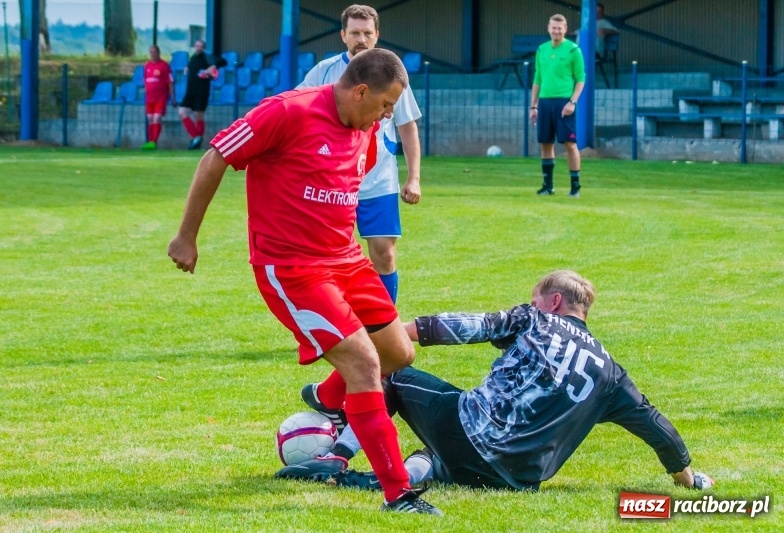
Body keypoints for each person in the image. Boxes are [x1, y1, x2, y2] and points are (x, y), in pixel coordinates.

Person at [167, 48, 441, 516]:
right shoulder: (286, 111)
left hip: (347, 260)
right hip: (292, 269)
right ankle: (398, 494)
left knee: (398, 353)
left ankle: (325, 397)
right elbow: (215, 158)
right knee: (364, 364)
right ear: (359, 91)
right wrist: (186, 237)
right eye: (386, 105)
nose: (389, 115)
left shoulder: (366, 125)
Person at [278, 270, 715, 494]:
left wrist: (398, 335)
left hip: (471, 436)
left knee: (392, 372)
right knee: (431, 454)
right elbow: (655, 425)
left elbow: (472, 325)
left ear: (554, 301)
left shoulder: (536, 318)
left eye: (536, 298)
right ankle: (393, 476)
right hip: (517, 477)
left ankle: (334, 458)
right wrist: (688, 479)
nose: (531, 304)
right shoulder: (612, 376)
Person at [297, 4, 422, 304]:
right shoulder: (324, 72)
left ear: (377, 35)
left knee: (384, 252)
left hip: (378, 182)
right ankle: (335, 320)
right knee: (324, 256)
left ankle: (385, 325)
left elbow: (408, 129)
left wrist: (414, 178)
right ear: (343, 35)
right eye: (355, 33)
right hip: (330, 185)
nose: (361, 39)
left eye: (367, 33)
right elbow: (297, 110)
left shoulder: (393, 74)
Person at [530, 14, 586, 198]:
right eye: (553, 28)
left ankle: (575, 187)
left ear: (565, 29)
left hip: (564, 103)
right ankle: (548, 186)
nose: (556, 31)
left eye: (559, 28)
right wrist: (534, 106)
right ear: (548, 28)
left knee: (570, 144)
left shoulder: (573, 50)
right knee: (546, 144)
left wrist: (573, 102)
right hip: (545, 103)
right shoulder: (541, 50)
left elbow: (581, 79)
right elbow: (537, 79)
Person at [177, 39, 227, 150]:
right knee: (182, 112)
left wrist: (213, 67)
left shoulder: (207, 57)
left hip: (202, 91)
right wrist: (187, 68)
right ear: (194, 46)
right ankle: (196, 137)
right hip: (190, 91)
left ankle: (197, 142)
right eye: (197, 46)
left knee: (198, 115)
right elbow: (193, 68)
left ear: (203, 48)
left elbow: (223, 61)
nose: (198, 48)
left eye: (200, 46)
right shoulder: (192, 58)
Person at [142, 45, 176, 150]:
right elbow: (145, 81)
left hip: (160, 97)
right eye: (151, 52)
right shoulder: (147, 65)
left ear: (158, 53)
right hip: (149, 98)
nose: (153, 54)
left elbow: (170, 82)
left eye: (154, 52)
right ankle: (150, 141)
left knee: (157, 118)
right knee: (150, 119)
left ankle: (154, 142)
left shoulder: (164, 66)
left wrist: (172, 97)